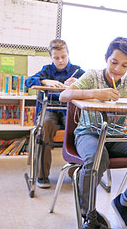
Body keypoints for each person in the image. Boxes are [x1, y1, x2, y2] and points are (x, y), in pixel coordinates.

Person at [59, 37, 127, 228]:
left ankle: (124, 202)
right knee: (96, 159)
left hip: (115, 135)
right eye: (114, 62)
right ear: (106, 58)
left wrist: (125, 97)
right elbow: (64, 95)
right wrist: (95, 93)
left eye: (125, 65)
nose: (118, 69)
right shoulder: (93, 76)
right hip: (88, 133)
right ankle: (88, 214)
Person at [25, 38, 85, 188]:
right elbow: (28, 81)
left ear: (68, 54)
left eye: (63, 57)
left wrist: (78, 83)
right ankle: (42, 175)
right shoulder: (47, 70)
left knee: (77, 129)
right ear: (51, 57)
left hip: (69, 110)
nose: (60, 61)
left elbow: (92, 84)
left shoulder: (77, 70)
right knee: (45, 126)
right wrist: (45, 82)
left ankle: (74, 173)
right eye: (56, 58)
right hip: (50, 110)